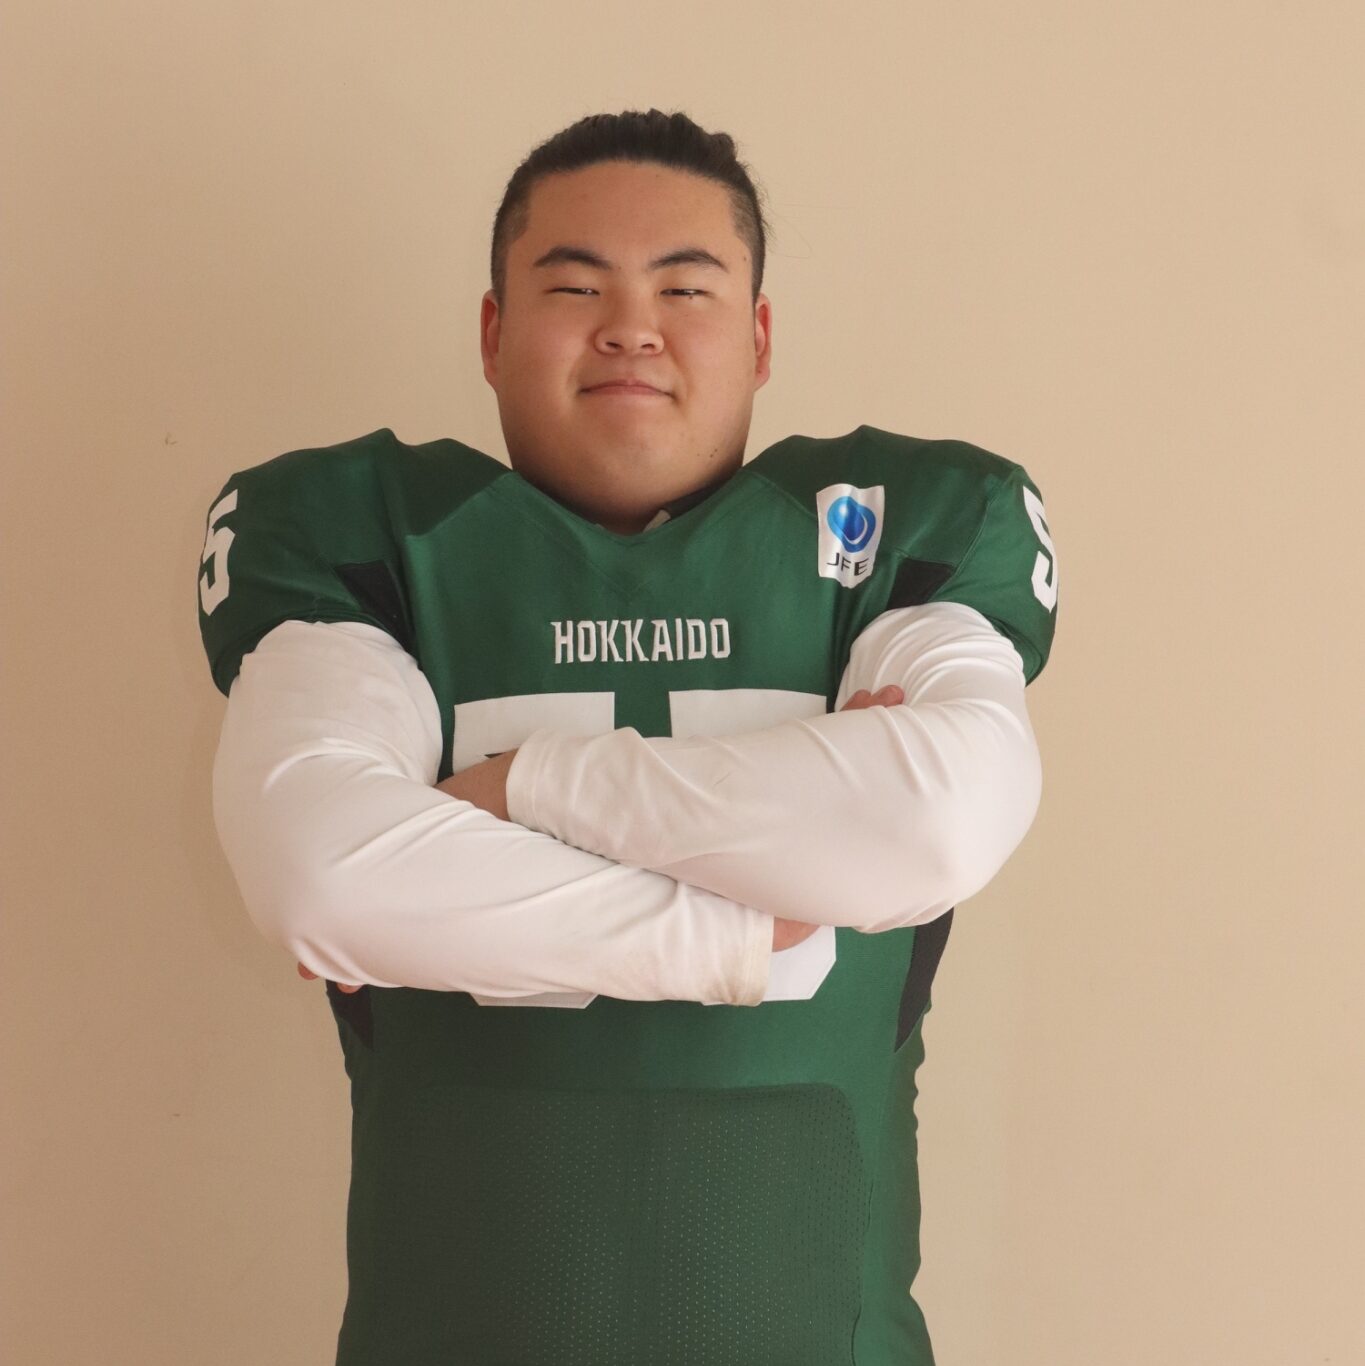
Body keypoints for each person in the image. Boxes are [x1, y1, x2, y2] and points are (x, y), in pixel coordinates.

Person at [196, 108, 1058, 1366]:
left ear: (759, 337)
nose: (632, 326)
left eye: (685, 286)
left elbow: (938, 819)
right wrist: (738, 928)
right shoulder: (367, 542)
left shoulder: (895, 531)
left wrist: (523, 790)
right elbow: (319, 874)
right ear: (492, 332)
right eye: (574, 285)